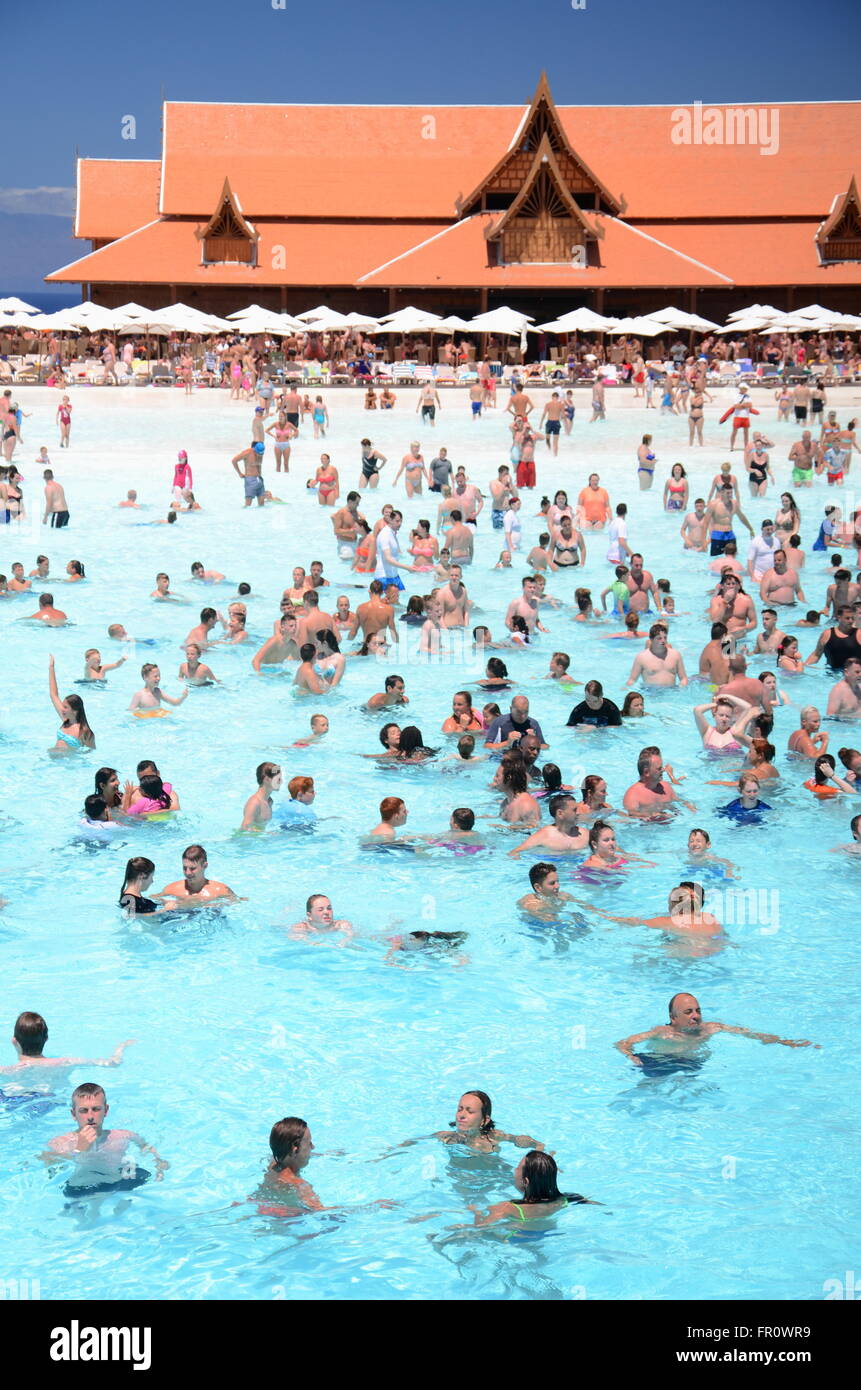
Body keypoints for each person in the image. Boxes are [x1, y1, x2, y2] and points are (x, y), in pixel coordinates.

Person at [615, 993, 816, 1068]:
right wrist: (631, 1056)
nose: (695, 1015)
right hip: (659, 1063)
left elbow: (751, 1034)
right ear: (673, 1018)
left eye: (697, 1010)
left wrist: (786, 1042)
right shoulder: (661, 1032)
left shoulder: (710, 1028)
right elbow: (623, 1043)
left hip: (691, 1064)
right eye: (688, 1012)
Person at [43, 1083, 169, 1194]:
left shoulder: (123, 1136)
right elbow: (50, 1167)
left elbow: (146, 1146)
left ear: (106, 1110)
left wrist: (159, 1163)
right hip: (82, 1188)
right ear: (74, 1114)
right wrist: (78, 1150)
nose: (90, 1116)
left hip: (119, 1182)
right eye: (83, 1110)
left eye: (96, 1109)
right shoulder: (61, 1142)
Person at [0, 1013, 134, 1091]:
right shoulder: (65, 1062)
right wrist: (121, 1048)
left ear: (14, 1041)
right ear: (46, 1039)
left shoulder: (7, 1071)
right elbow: (113, 1063)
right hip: (52, 1101)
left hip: (16, 1101)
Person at [468, 1150, 592, 1226]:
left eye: (517, 1168)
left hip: (514, 1241)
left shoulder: (507, 1208)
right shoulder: (568, 1199)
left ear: (526, 1182)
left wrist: (476, 1212)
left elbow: (480, 1227)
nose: (514, 1170)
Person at [509, 793, 587, 855]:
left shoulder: (586, 834)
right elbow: (514, 852)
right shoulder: (544, 835)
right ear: (560, 813)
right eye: (574, 810)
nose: (579, 813)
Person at [157, 844, 237, 904]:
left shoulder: (220, 890)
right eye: (185, 868)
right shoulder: (172, 889)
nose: (187, 873)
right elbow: (152, 901)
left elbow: (239, 904)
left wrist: (220, 905)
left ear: (204, 866)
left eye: (192, 868)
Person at [48, 656, 93, 752]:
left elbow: (91, 752)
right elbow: (53, 694)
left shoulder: (84, 732)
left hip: (68, 765)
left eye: (65, 707)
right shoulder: (66, 721)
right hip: (53, 762)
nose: (62, 709)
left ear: (75, 711)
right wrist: (51, 668)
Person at [622, 748, 680, 814]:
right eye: (659, 768)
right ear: (647, 772)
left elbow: (679, 803)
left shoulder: (666, 787)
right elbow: (630, 818)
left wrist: (688, 806)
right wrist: (654, 816)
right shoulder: (633, 795)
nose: (663, 770)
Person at [805, 605, 861, 670]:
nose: (851, 621)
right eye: (847, 618)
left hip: (854, 675)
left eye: (852, 618)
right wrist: (805, 666)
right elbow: (816, 654)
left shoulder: (859, 634)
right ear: (839, 617)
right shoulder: (827, 634)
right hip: (831, 674)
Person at [240, 762, 282, 830]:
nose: (281, 782)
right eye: (278, 779)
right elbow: (245, 829)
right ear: (267, 779)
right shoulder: (254, 803)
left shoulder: (269, 801)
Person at [231, 441, 267, 507]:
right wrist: (240, 473)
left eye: (262, 453)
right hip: (250, 480)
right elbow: (234, 460)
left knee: (262, 505)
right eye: (259, 453)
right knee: (248, 505)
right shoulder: (247, 452)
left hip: (259, 479)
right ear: (254, 448)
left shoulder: (261, 450)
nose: (260, 455)